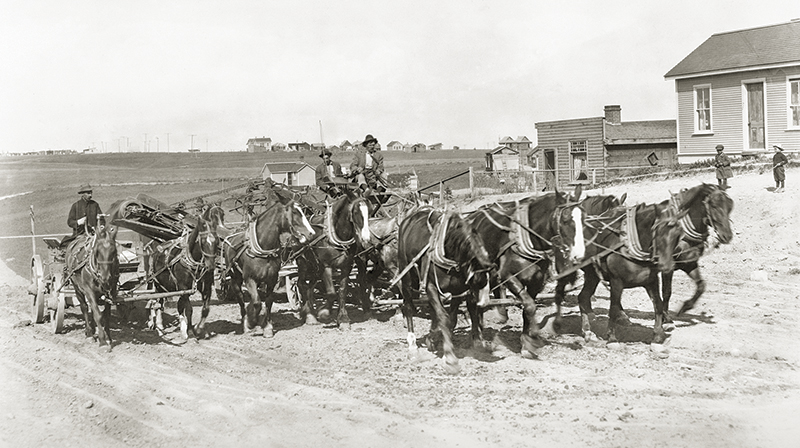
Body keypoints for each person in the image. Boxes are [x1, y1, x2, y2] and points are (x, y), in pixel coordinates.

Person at [350, 134, 388, 206]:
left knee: (384, 175)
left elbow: (381, 167)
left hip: (373, 175)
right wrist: (357, 169)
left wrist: (378, 171)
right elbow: (353, 166)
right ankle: (366, 190)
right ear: (366, 145)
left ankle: (378, 193)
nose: (372, 146)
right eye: (370, 144)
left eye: (373, 145)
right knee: (360, 176)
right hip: (363, 174)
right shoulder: (359, 154)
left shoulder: (378, 156)